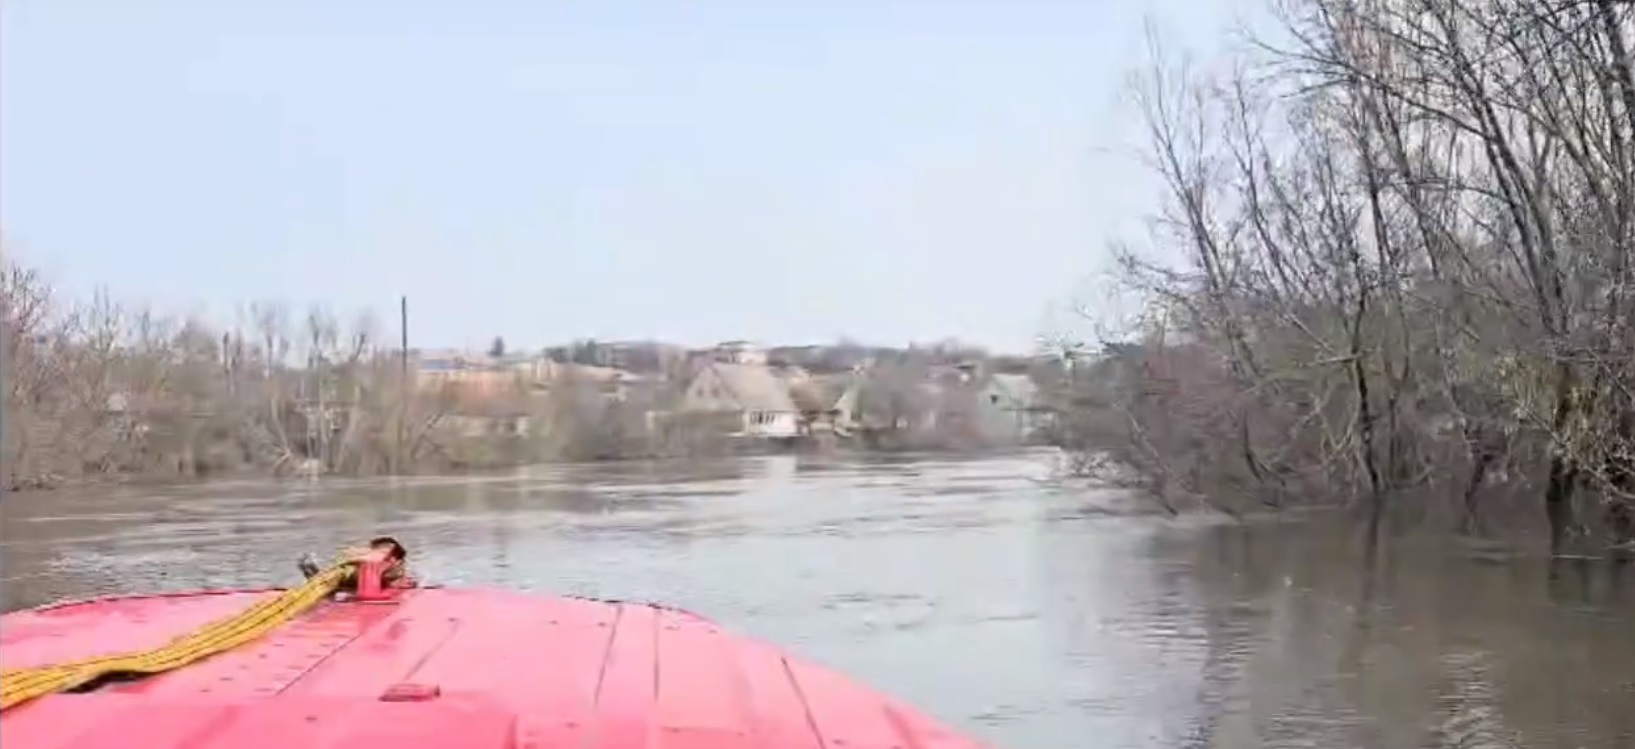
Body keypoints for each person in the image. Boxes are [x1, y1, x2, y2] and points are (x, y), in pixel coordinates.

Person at [297, 536, 417, 591]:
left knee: (344, 576)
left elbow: (372, 560)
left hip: (375, 579)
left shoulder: (389, 558)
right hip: (366, 579)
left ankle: (317, 575)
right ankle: (317, 575)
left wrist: (346, 561)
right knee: (344, 575)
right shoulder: (379, 555)